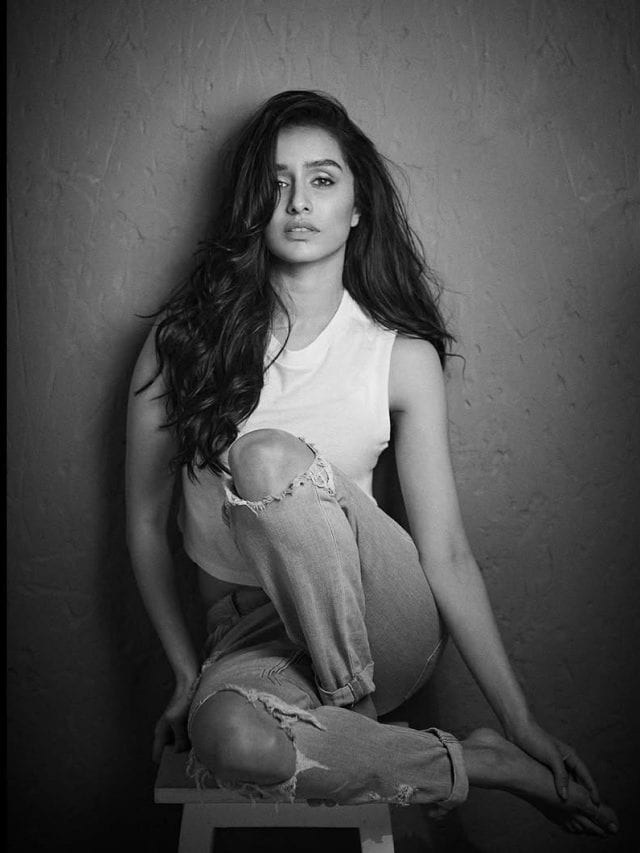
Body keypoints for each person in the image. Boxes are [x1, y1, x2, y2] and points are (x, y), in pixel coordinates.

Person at [125, 90, 618, 836]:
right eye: (277, 182)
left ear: (357, 207)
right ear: (252, 202)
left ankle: (351, 709)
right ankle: (473, 762)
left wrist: (522, 718)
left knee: (266, 459)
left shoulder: (399, 356)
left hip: (380, 615)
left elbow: (446, 553)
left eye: (322, 180)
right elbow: (141, 522)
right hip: (251, 633)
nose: (299, 202)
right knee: (229, 742)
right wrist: (185, 672)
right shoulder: (180, 344)